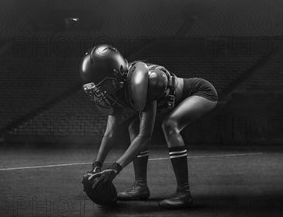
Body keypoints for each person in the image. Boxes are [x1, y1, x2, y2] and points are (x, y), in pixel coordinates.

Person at [81, 44, 218, 209]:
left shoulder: (148, 81)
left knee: (170, 125)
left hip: (201, 92)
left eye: (101, 84)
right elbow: (110, 133)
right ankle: (140, 186)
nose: (98, 89)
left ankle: (184, 193)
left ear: (115, 74)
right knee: (134, 126)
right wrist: (96, 167)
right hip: (174, 103)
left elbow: (145, 137)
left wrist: (115, 169)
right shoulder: (116, 87)